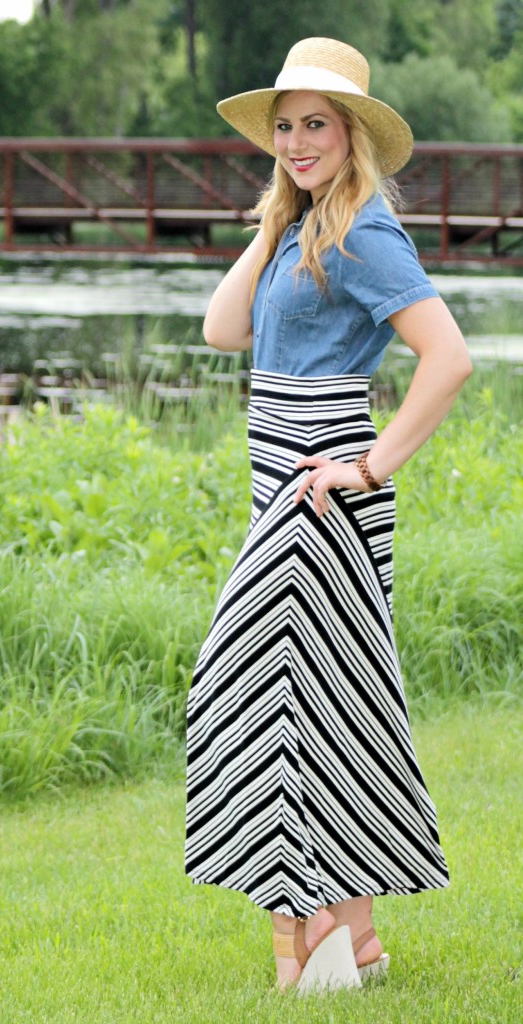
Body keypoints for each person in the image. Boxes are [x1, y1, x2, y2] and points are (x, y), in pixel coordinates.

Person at [184, 37, 472, 995]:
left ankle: (302, 950)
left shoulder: (363, 234)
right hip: (278, 481)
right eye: (286, 126)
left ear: (353, 136)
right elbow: (223, 330)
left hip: (320, 488)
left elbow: (448, 358)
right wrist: (273, 220)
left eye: (317, 125)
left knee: (261, 700)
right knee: (313, 707)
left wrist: (369, 464)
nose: (298, 141)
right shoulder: (306, 226)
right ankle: (355, 945)